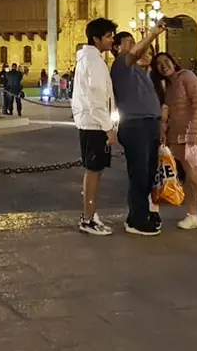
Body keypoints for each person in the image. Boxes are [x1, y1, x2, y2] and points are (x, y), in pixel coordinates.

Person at [152, 52, 197, 230]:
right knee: (188, 176)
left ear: (174, 62)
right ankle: (192, 215)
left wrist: (192, 134)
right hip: (176, 135)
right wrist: (164, 130)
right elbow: (168, 112)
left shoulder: (188, 76)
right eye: (158, 64)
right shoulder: (168, 86)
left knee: (194, 173)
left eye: (166, 61)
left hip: (195, 134)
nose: (163, 65)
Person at [110, 22, 167, 236]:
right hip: (135, 124)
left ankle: (140, 214)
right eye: (129, 42)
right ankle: (137, 219)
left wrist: (160, 123)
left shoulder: (141, 72)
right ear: (117, 48)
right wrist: (153, 33)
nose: (136, 47)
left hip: (150, 124)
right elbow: (134, 54)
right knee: (140, 173)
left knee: (150, 172)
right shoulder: (120, 66)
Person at [71, 18, 118, 236]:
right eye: (108, 36)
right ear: (96, 38)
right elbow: (97, 97)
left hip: (90, 122)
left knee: (94, 170)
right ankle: (88, 218)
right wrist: (108, 127)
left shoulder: (89, 59)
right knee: (94, 171)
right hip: (94, 124)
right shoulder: (95, 62)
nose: (112, 40)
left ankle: (89, 214)